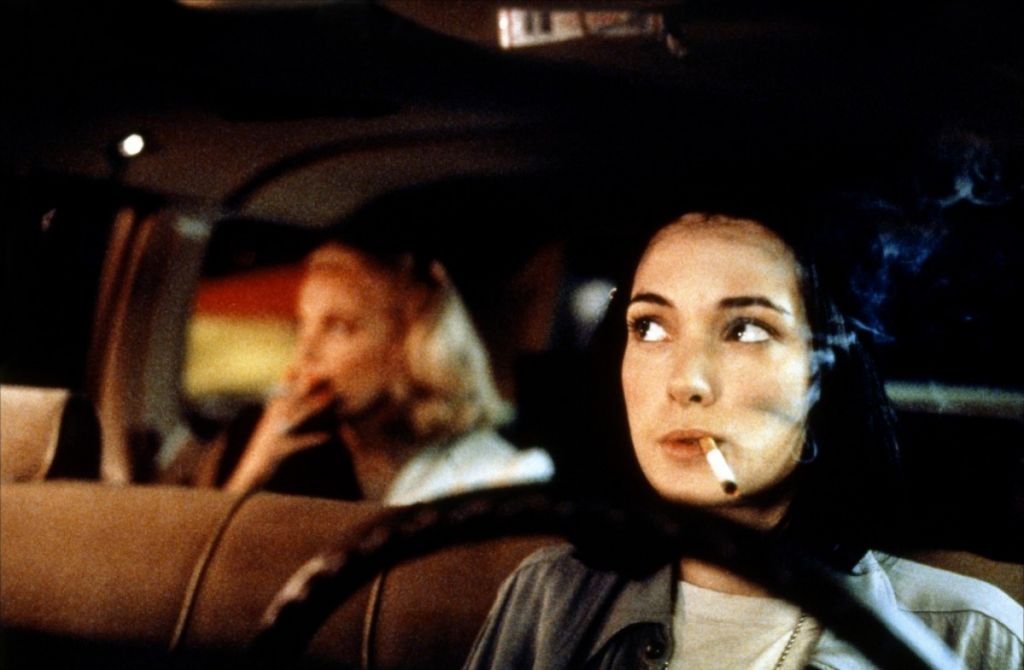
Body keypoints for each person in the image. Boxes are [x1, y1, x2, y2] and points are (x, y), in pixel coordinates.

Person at [463, 205, 1023, 669]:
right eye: (649, 327)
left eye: (746, 330)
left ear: (825, 375)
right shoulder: (548, 600)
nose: (687, 381)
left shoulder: (971, 637)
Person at [171, 239, 554, 503]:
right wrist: (253, 471)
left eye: (339, 327)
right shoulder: (283, 449)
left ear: (407, 343)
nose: (305, 352)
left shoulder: (494, 472)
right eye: (303, 325)